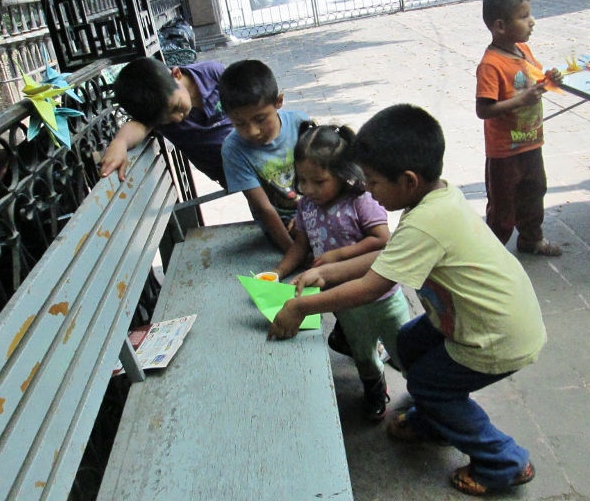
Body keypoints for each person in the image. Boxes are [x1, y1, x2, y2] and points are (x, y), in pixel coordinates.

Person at [268, 104, 545, 496]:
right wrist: (329, 272)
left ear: (409, 180)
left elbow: (372, 286)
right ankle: (436, 423)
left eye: (373, 181)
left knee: (430, 385)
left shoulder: (425, 222)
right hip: (482, 317)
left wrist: (300, 306)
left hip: (496, 336)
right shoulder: (435, 199)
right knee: (410, 343)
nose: (367, 189)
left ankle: (503, 461)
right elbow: (390, 257)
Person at [270, 122, 410, 420]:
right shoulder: (306, 206)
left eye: (318, 181)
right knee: (362, 355)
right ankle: (374, 388)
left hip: (383, 298)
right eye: (302, 180)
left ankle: (423, 396)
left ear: (343, 173)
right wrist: (278, 272)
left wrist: (338, 255)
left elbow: (382, 240)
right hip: (343, 303)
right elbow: (300, 245)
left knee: (406, 352)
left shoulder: (362, 201)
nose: (308, 189)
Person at [476, 0, 563, 256]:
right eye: (524, 17)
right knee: (503, 207)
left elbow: (533, 83)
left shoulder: (523, 50)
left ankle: (531, 239)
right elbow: (484, 109)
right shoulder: (491, 64)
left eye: (530, 15)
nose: (532, 21)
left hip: (531, 142)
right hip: (505, 150)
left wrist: (549, 80)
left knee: (534, 192)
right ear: (500, 26)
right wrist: (520, 101)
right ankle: (491, 255)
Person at [219, 59, 310, 252]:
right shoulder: (233, 149)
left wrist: (310, 213)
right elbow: (264, 209)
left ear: (278, 102)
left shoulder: (300, 122)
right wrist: (293, 252)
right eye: (239, 124)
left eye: (260, 119)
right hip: (282, 224)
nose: (252, 131)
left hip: (315, 206)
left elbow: (324, 173)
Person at [99, 57, 232, 187]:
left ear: (177, 74)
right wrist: (120, 143)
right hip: (229, 172)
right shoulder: (153, 111)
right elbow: (137, 126)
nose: (177, 118)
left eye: (176, 107)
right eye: (165, 118)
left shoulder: (211, 73)